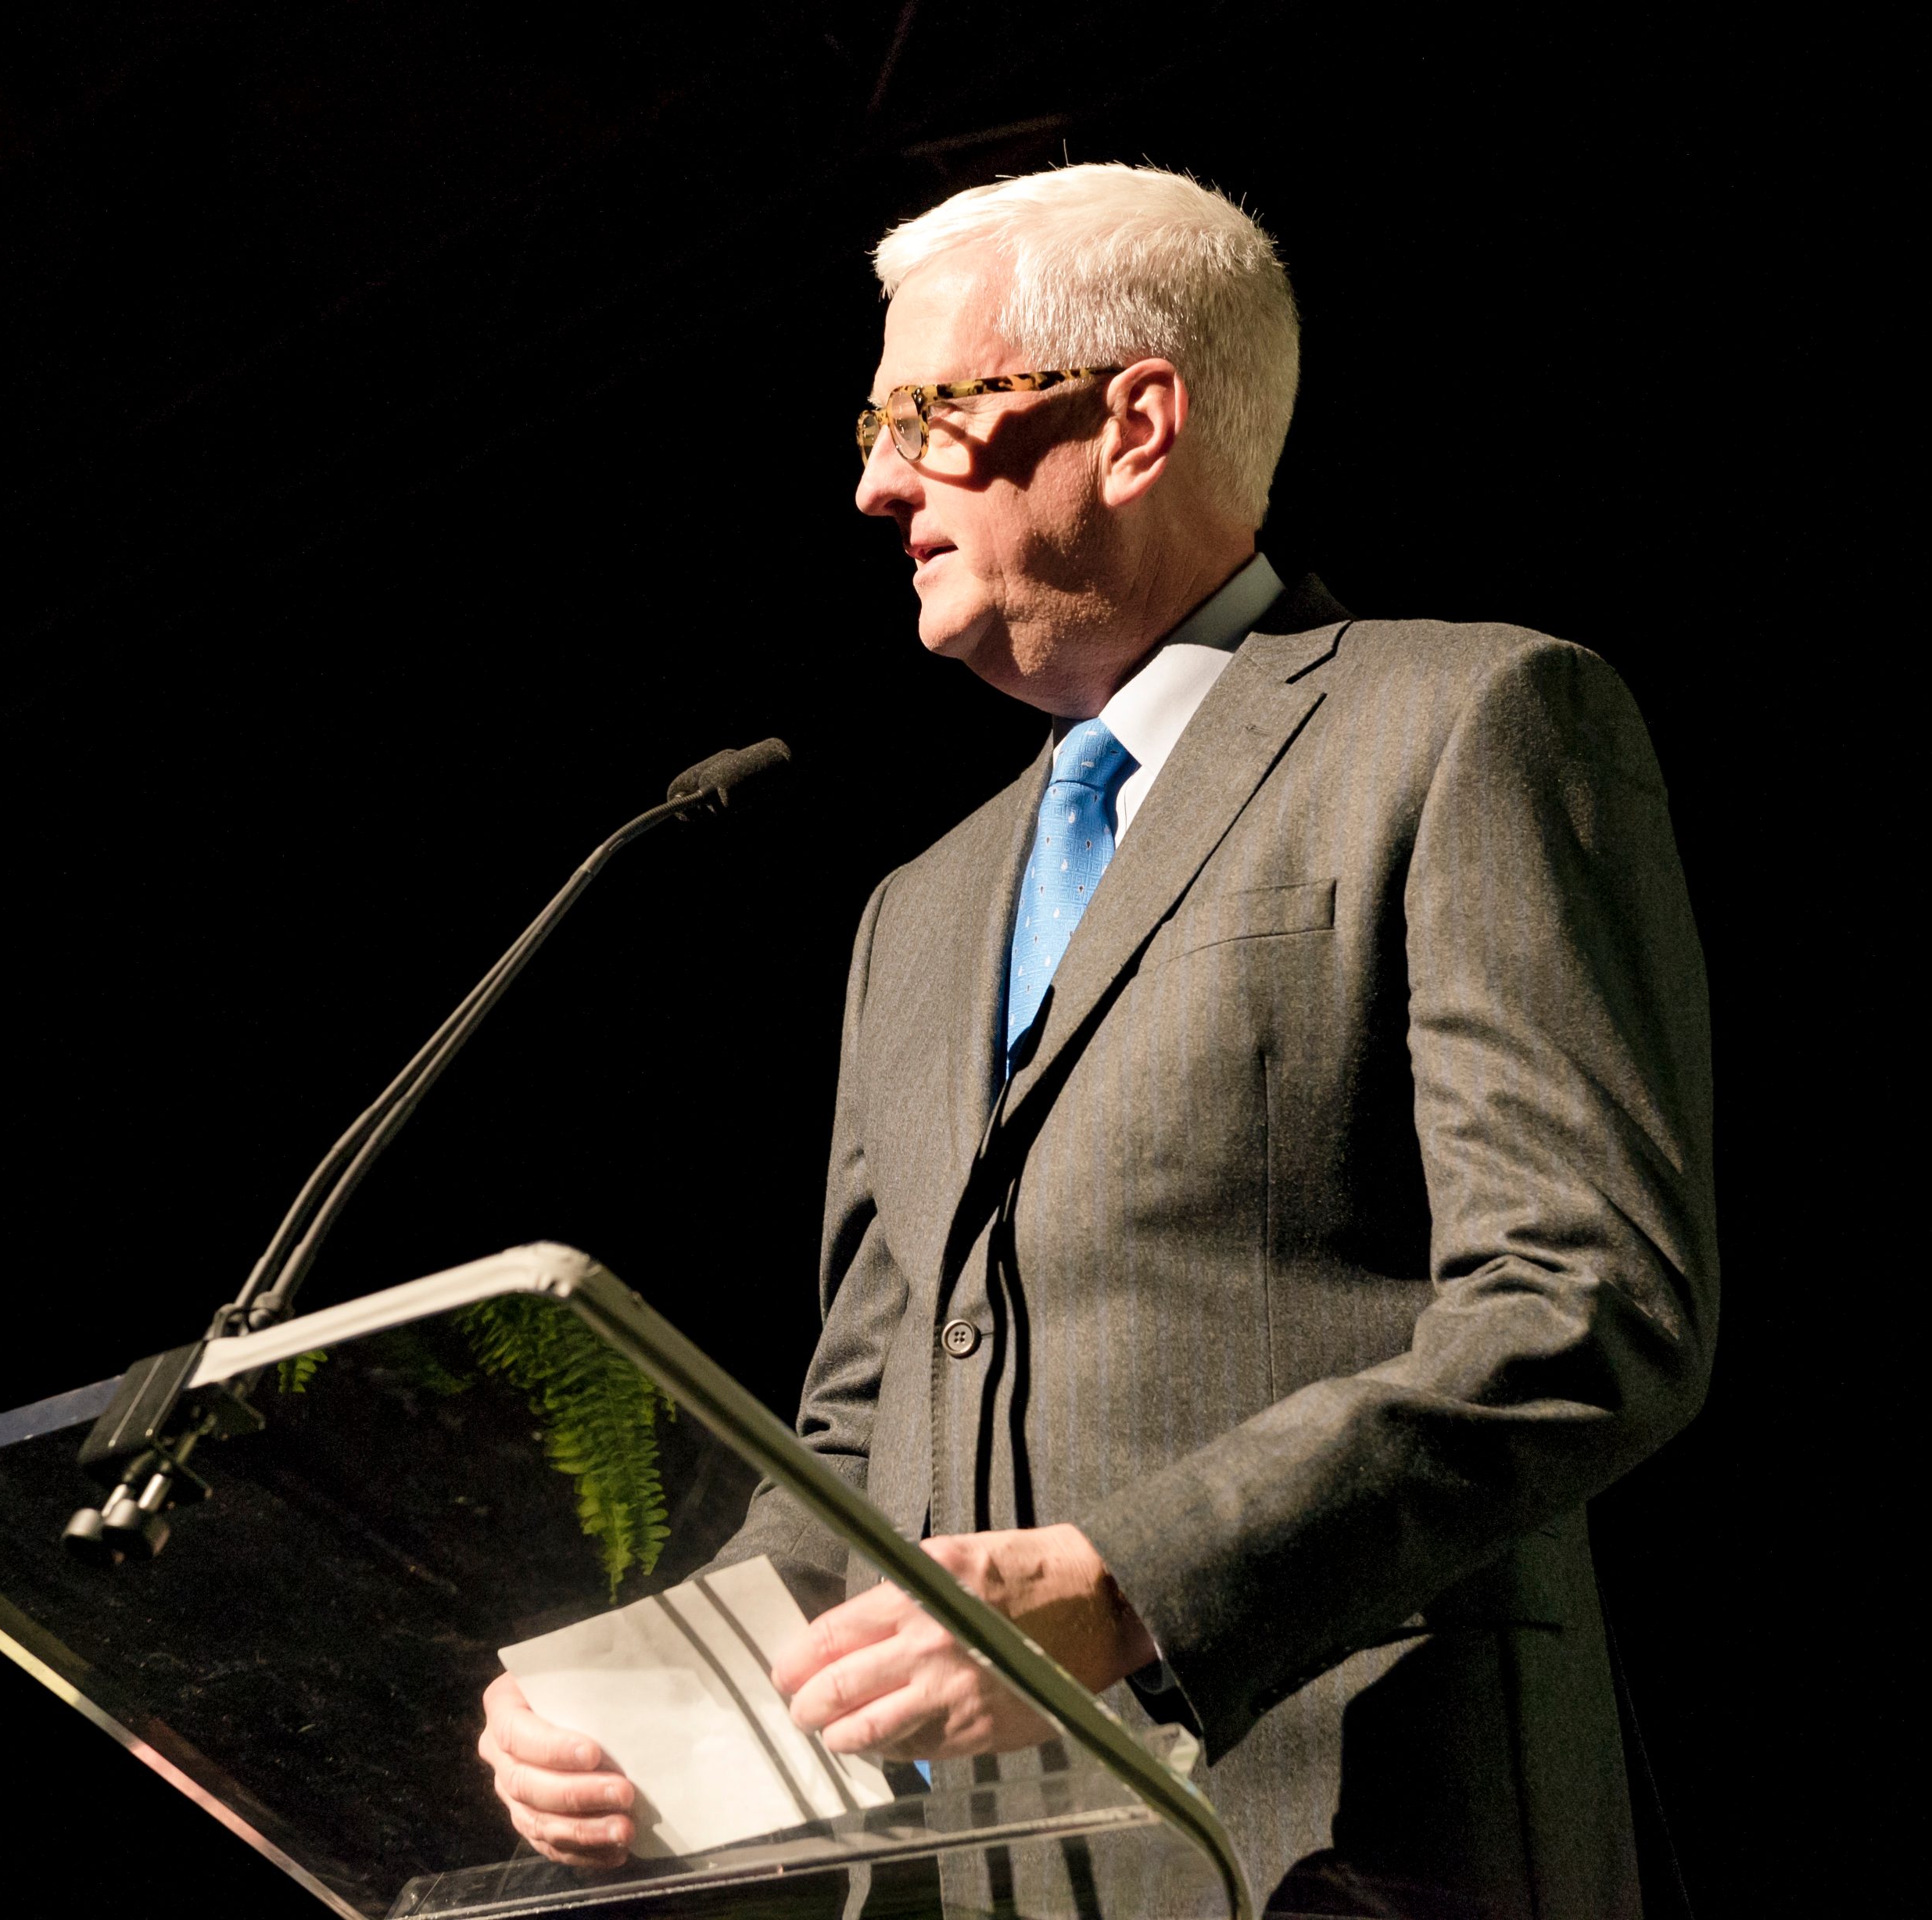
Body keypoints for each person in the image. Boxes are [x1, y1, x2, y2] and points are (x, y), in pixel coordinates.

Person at [478, 163, 1716, 1918]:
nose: (874, 482)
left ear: (1133, 423)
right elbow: (860, 1432)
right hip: (979, 1876)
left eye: (923, 414)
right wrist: (654, 1707)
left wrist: (1137, 1581)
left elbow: (1586, 1305)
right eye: (871, 426)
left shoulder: (1466, 721)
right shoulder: (916, 910)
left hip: (1354, 1837)